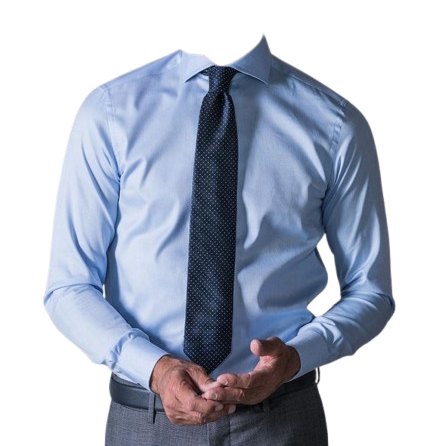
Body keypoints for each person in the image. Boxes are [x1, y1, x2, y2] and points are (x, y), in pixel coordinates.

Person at [43, 33, 395, 445]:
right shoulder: (109, 111)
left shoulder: (335, 123)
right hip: (145, 421)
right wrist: (156, 369)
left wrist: (295, 358)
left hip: (282, 420)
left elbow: (372, 293)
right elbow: (69, 286)